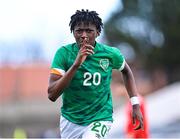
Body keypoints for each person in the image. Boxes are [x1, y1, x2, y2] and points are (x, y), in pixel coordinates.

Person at [48, 9, 144, 139]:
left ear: (98, 32)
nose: (83, 35)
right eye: (79, 30)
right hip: (70, 119)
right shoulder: (63, 54)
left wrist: (135, 104)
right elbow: (52, 95)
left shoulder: (110, 54)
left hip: (100, 116)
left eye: (89, 30)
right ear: (73, 32)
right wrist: (76, 65)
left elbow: (126, 71)